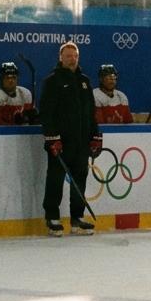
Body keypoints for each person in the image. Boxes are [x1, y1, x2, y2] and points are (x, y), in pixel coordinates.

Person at [41, 42, 100, 237]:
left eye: (74, 56)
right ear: (61, 58)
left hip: (81, 143)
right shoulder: (53, 81)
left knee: (80, 180)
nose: (72, 59)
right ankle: (52, 217)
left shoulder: (85, 81)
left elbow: (91, 112)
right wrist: (52, 138)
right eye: (68, 56)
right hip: (61, 143)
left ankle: (77, 217)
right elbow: (47, 113)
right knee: (55, 180)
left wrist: (95, 136)